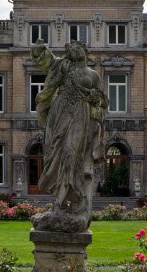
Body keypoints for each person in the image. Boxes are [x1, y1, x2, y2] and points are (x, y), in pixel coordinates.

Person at [30, 39, 107, 233]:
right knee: (56, 151)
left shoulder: (93, 75)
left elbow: (102, 101)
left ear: (85, 50)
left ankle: (66, 202)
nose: (74, 50)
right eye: (70, 48)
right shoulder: (63, 65)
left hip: (81, 114)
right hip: (60, 110)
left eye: (77, 47)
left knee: (72, 153)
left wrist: (95, 103)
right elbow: (47, 61)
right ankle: (59, 203)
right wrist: (40, 48)